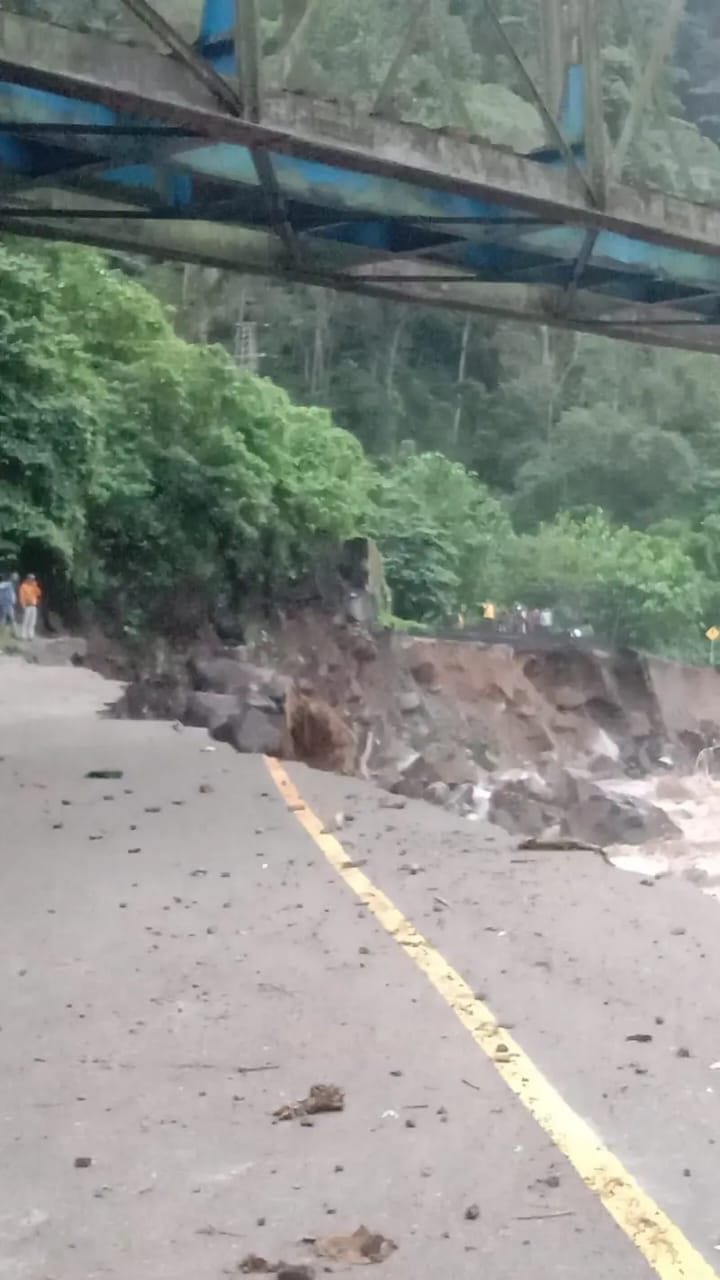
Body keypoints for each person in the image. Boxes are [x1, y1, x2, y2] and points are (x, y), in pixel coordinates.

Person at [18, 574, 41, 641]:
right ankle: (23, 635)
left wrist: (35, 586)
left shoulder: (34, 586)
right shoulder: (23, 586)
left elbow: (39, 593)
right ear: (27, 578)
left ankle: (30, 635)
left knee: (32, 622)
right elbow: (21, 596)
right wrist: (23, 605)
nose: (32, 580)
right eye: (31, 578)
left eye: (33, 579)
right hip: (27, 606)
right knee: (25, 621)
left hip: (34, 606)